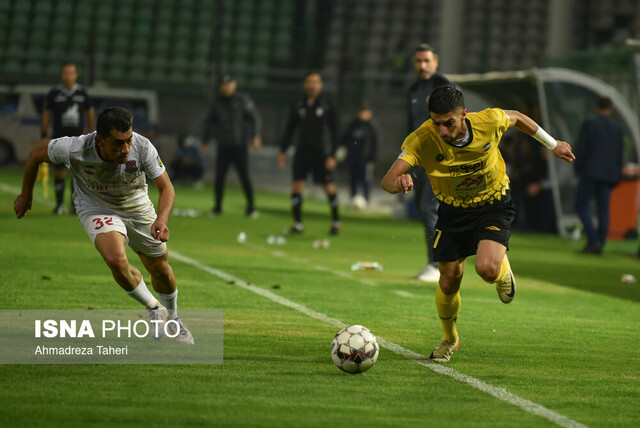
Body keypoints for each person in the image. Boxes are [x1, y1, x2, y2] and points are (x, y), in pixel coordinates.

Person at [381, 86, 575, 362]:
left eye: (449, 123)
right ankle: (449, 338)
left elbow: (518, 118)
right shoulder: (422, 139)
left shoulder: (489, 122)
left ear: (464, 114)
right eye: (436, 123)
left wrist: (553, 144)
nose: (442, 131)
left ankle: (501, 268)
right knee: (449, 280)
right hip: (452, 211)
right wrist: (398, 182)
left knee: (486, 269)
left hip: (492, 204)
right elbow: (388, 180)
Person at [15, 106, 194, 344]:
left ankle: (173, 318)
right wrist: (26, 194)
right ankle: (154, 308)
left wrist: (161, 219)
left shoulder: (143, 147)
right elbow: (36, 155)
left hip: (137, 207)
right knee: (116, 260)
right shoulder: (75, 148)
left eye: (128, 140)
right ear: (99, 139)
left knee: (160, 269)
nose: (126, 149)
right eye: (119, 143)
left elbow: (166, 187)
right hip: (96, 207)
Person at [407, 44, 452, 282]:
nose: (422, 65)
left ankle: (436, 265)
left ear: (436, 62)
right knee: (425, 211)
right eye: (418, 61)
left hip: (439, 159)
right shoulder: (414, 90)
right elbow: (411, 127)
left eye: (426, 61)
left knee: (429, 210)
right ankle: (437, 263)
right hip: (419, 159)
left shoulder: (443, 87)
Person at [278, 71, 341, 235]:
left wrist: (332, 155)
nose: (312, 85)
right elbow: (290, 129)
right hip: (302, 152)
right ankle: (297, 223)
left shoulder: (328, 105)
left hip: (322, 153)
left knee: (329, 187)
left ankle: (336, 222)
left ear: (320, 85)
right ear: (305, 85)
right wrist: (283, 150)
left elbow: (335, 131)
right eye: (309, 82)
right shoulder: (298, 105)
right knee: (297, 186)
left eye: (315, 82)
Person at [202, 73, 261, 217]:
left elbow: (254, 118)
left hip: (240, 145)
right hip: (223, 145)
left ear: (234, 85)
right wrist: (205, 140)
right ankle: (217, 207)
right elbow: (209, 122)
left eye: (229, 84)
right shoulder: (217, 102)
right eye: (224, 85)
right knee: (220, 177)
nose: (227, 87)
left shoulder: (243, 100)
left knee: (244, 176)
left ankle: (251, 207)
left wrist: (256, 136)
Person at [41, 62, 96, 215]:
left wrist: (91, 133)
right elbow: (46, 113)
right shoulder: (54, 93)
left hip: (78, 139)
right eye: (65, 73)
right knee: (59, 171)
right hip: (59, 138)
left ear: (76, 75)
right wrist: (44, 133)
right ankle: (59, 205)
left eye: (71, 73)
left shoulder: (82, 93)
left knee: (76, 173)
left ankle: (74, 206)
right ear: (62, 75)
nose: (68, 76)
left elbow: (89, 113)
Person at [573, 96, 624, 254]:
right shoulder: (618, 128)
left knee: (581, 205)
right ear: (611, 109)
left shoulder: (590, 123)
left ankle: (593, 241)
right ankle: (600, 243)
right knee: (603, 210)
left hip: (590, 172)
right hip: (608, 175)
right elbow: (619, 154)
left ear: (597, 107)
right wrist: (617, 175)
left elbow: (582, 148)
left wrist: (577, 167)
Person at [341, 102, 380, 207]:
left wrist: (372, 158)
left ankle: (366, 201)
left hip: (366, 159)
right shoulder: (353, 124)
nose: (363, 114)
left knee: (366, 180)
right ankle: (352, 199)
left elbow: (376, 143)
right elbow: (345, 138)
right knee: (353, 179)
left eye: (365, 112)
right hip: (353, 157)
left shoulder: (372, 126)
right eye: (362, 112)